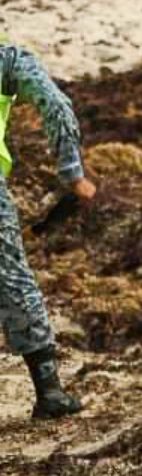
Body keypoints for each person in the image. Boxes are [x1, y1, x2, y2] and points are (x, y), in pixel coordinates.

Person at [0, 39, 96, 420]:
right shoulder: (8, 61)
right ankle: (49, 390)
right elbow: (55, 103)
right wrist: (73, 174)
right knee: (14, 280)